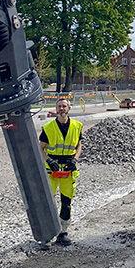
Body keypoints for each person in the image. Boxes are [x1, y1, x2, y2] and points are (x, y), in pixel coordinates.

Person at [39, 97, 83, 246]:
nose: (61, 109)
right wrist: (49, 161)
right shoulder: (49, 128)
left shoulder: (77, 126)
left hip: (68, 170)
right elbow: (40, 148)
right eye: (59, 106)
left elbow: (78, 146)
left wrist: (75, 159)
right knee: (48, 202)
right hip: (52, 171)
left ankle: (63, 233)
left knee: (66, 202)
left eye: (64, 106)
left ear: (69, 108)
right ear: (56, 109)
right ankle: (46, 233)